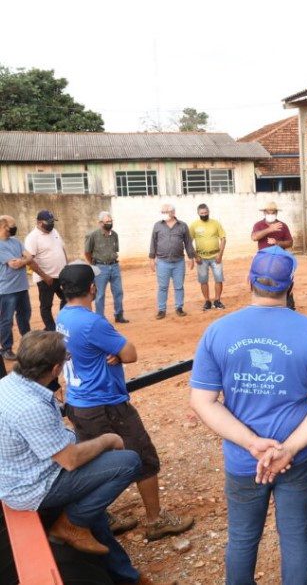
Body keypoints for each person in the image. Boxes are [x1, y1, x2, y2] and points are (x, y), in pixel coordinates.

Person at [189, 246, 307, 585]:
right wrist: (288, 449)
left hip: (244, 459)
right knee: (295, 537)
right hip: (297, 458)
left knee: (243, 539)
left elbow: (203, 401)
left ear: (249, 281)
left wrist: (252, 444)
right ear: (290, 285)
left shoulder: (218, 331)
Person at [56, 262, 195, 543]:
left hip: (79, 402)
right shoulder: (92, 321)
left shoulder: (63, 317)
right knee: (143, 457)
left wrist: (110, 354)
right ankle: (156, 521)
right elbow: (130, 353)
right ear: (92, 289)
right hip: (106, 404)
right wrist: (118, 354)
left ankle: (101, 516)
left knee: (93, 461)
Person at [0, 330, 146, 584]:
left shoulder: (9, 385)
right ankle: (70, 525)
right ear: (56, 367)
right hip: (35, 487)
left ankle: (127, 577)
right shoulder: (32, 407)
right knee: (128, 462)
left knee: (93, 511)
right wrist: (108, 440)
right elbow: (69, 460)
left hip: (20, 474)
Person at [148, 203, 195, 319]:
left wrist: (191, 257)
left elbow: (188, 242)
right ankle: (161, 310)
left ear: (173, 212)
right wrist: (151, 259)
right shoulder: (157, 226)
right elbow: (153, 242)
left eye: (166, 212)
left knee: (179, 286)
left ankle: (179, 307)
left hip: (179, 262)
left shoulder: (182, 226)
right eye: (162, 212)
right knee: (163, 287)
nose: (163, 214)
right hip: (162, 262)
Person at [25, 210, 68, 331]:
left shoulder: (54, 231)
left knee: (67, 298)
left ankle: (61, 323)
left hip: (61, 276)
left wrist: (67, 266)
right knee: (46, 306)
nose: (51, 224)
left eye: (52, 221)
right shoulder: (32, 238)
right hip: (46, 279)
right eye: (48, 222)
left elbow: (62, 249)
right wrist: (44, 276)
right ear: (39, 223)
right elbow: (29, 261)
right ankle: (51, 330)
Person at [84, 211, 129, 324]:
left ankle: (119, 315)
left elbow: (115, 250)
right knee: (100, 294)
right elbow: (87, 252)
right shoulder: (93, 235)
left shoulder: (115, 235)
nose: (109, 223)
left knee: (118, 292)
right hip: (100, 267)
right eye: (107, 221)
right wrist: (93, 264)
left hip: (114, 266)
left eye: (110, 221)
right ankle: (100, 318)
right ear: (100, 223)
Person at [251, 202, 295, 310]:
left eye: (273, 212)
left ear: (276, 213)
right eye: (268, 212)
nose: (271, 214)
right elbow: (254, 237)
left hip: (279, 260)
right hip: (263, 260)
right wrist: (270, 229)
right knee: (260, 281)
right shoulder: (258, 225)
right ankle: (261, 303)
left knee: (283, 281)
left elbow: (290, 242)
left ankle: (287, 302)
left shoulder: (283, 226)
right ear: (264, 213)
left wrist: (278, 243)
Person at [0, 216, 31, 362]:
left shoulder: (16, 241)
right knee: (6, 320)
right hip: (7, 289)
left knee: (24, 316)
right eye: (12, 225)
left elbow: (29, 257)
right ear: (3, 226)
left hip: (22, 287)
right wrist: (22, 261)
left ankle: (27, 346)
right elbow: (13, 264)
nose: (14, 227)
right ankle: (6, 349)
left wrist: (22, 261)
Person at [190, 203, 227, 311]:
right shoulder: (194, 225)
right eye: (202, 213)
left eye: (206, 212)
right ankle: (207, 301)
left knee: (218, 279)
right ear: (198, 213)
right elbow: (189, 242)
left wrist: (220, 254)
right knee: (203, 280)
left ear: (209, 212)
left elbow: (223, 239)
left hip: (216, 256)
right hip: (201, 258)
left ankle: (217, 300)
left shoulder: (215, 223)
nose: (204, 214)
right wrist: (196, 256)